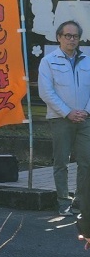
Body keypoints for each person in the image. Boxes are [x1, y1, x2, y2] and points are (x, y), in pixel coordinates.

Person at [37, 20, 90, 218]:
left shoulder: (87, 60)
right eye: (67, 35)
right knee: (61, 162)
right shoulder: (48, 61)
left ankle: (81, 202)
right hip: (60, 119)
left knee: (87, 162)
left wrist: (85, 111)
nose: (71, 39)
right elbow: (46, 92)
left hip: (85, 119)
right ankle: (63, 202)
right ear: (59, 37)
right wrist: (68, 112)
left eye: (75, 36)